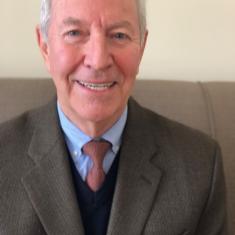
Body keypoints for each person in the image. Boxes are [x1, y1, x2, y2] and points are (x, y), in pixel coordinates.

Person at [0, 0, 227, 234]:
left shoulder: (200, 166)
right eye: (75, 33)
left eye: (119, 35)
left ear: (142, 47)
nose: (98, 61)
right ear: (44, 46)